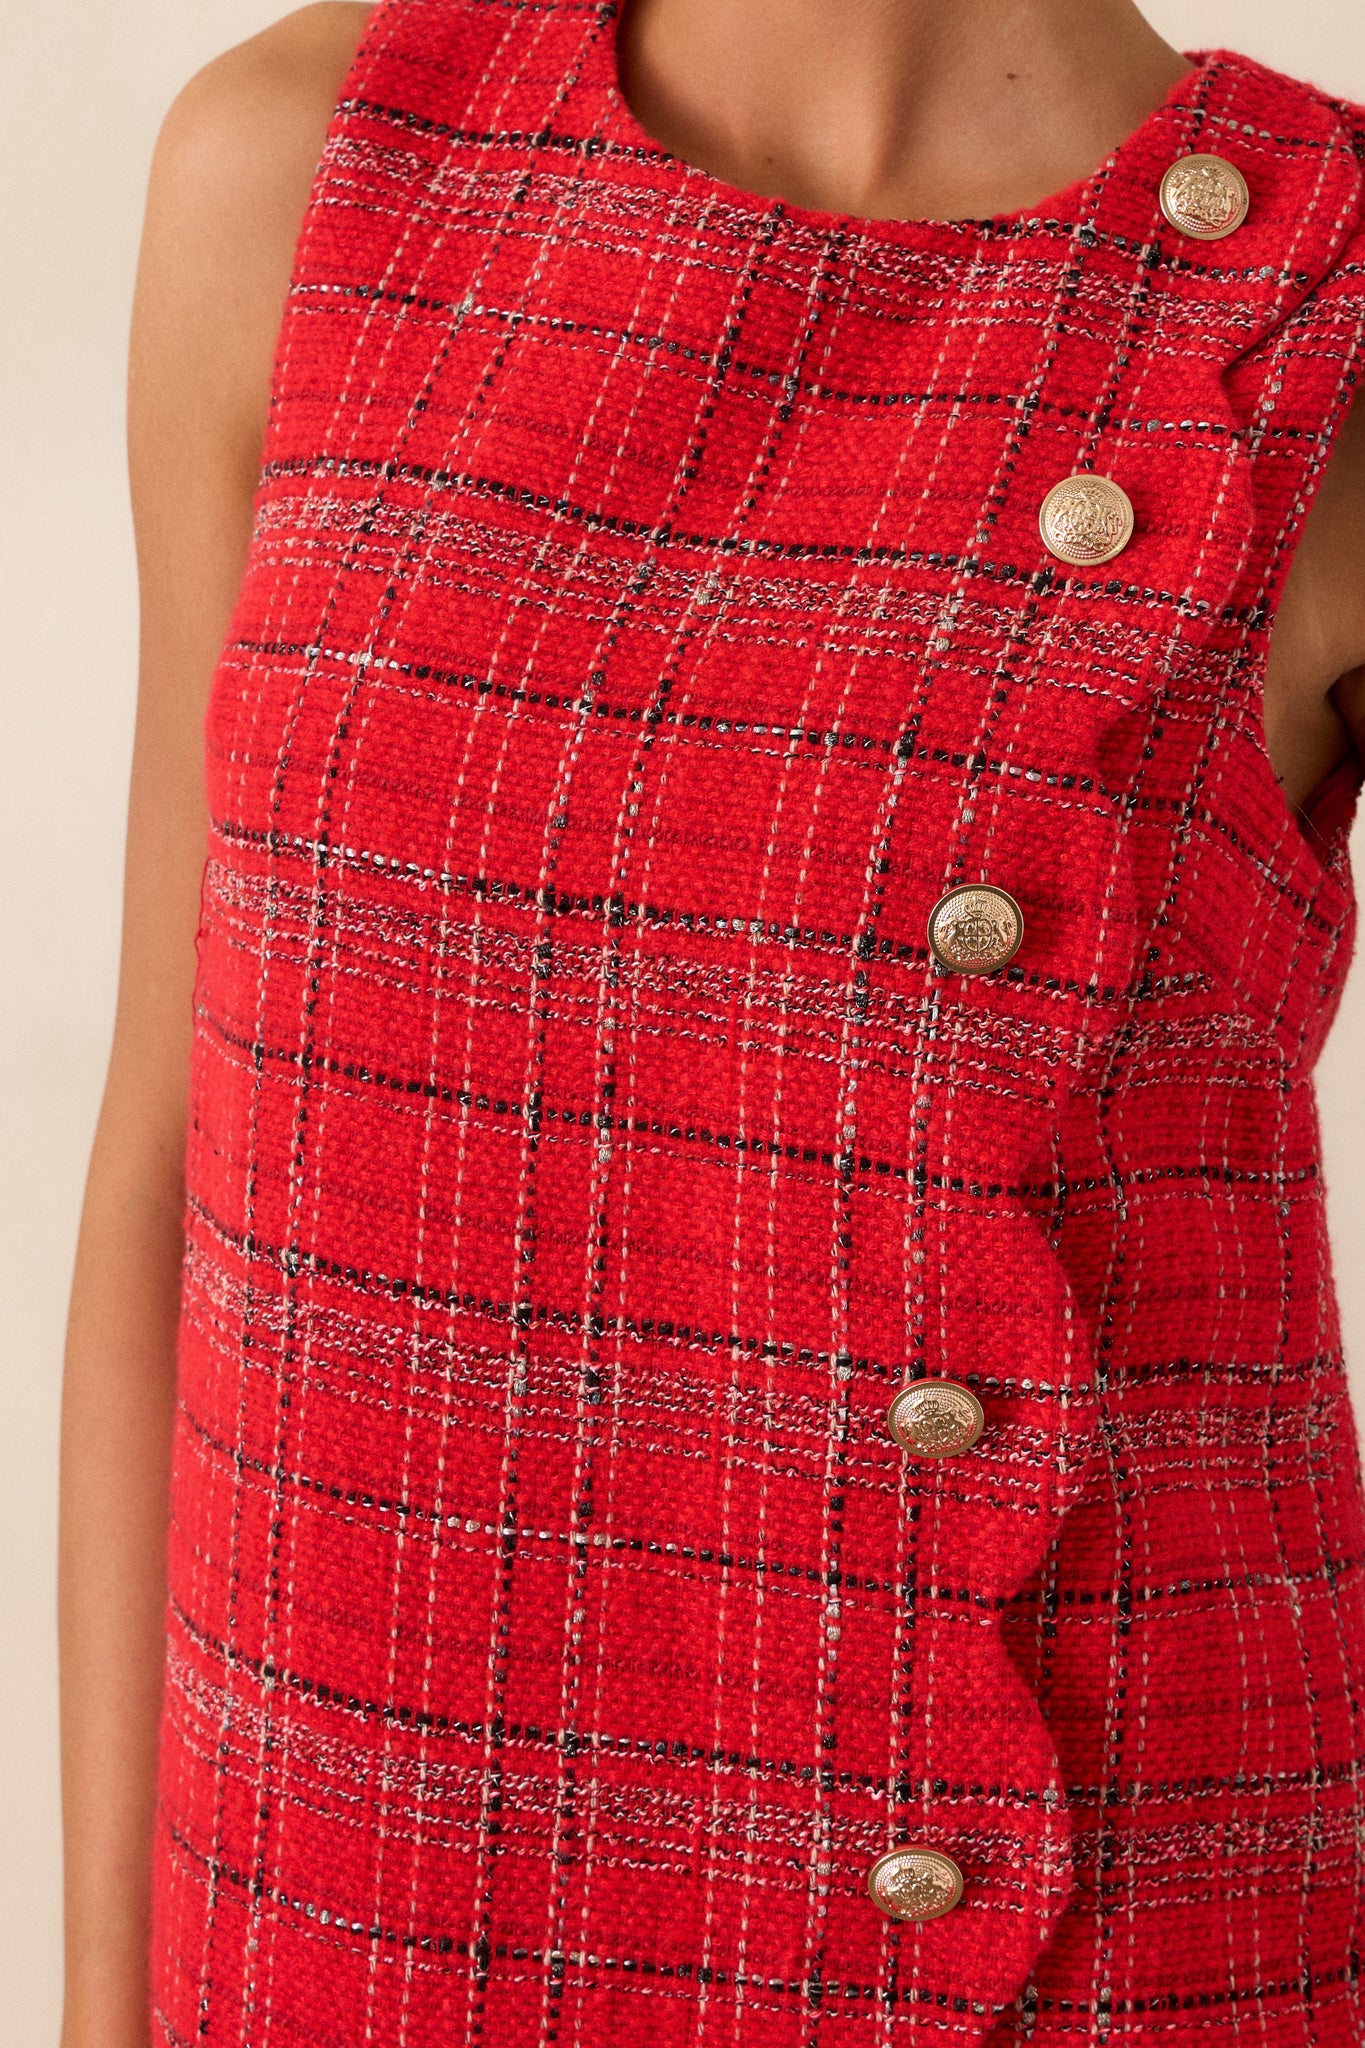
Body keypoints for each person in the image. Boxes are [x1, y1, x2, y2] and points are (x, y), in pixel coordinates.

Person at [59, 0, 1365, 2042]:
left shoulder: (1313, 303)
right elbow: (176, 1168)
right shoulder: (309, 164)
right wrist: (102, 1998)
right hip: (358, 1899)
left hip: (1075, 1913)